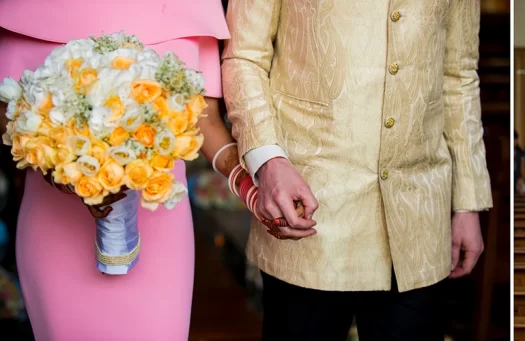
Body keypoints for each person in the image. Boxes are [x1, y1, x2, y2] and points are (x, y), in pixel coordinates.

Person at [222, 1, 492, 339]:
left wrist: (467, 202)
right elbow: (244, 57)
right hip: (307, 210)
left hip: (417, 222)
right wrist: (268, 162)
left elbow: (459, 76)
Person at [0, 0, 254, 339]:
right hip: (53, 225)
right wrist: (60, 167)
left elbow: (204, 118)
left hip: (160, 229)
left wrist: (251, 182)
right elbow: (8, 109)